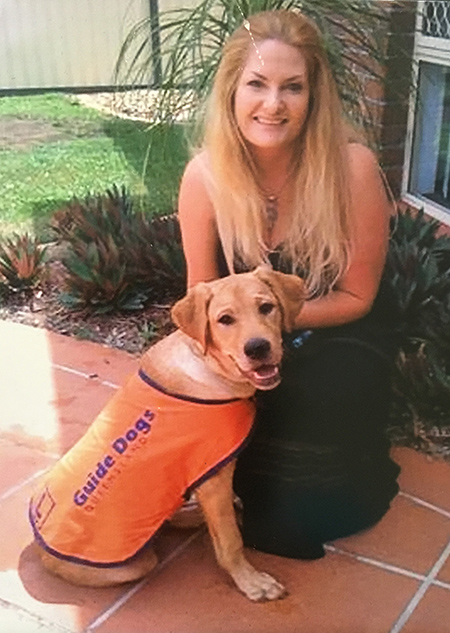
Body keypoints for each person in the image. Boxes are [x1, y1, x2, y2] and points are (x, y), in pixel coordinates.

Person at [177, 9, 400, 560]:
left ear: (313, 96)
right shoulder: (204, 177)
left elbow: (358, 297)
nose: (273, 104)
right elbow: (201, 298)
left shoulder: (352, 168)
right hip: (246, 336)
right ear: (232, 91)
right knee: (209, 394)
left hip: (338, 324)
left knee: (322, 391)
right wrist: (238, 349)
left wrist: (273, 327)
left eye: (292, 87)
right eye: (257, 84)